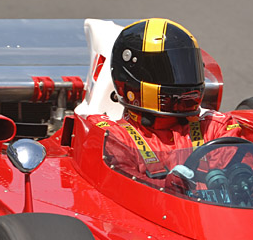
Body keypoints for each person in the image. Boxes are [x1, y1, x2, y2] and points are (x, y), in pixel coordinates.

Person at [97, 18, 242, 182]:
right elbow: (120, 188)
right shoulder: (114, 138)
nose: (182, 79)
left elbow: (247, 180)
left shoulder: (216, 129)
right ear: (133, 78)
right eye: (167, 72)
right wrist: (172, 187)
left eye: (186, 68)